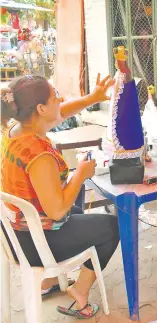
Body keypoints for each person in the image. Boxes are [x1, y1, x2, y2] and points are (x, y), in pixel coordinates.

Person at [1, 74, 119, 319]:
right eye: (55, 96)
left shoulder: (16, 130)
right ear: (41, 109)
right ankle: (80, 290)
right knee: (113, 226)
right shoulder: (39, 155)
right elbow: (56, 212)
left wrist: (92, 98)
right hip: (37, 243)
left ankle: (50, 280)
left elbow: (61, 112)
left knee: (77, 208)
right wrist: (80, 175)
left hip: (19, 233)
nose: (61, 99)